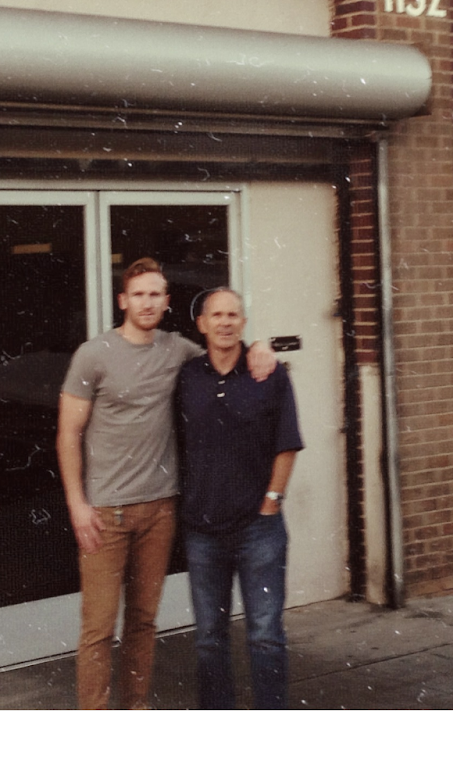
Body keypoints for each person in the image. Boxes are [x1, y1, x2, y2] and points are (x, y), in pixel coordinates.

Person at [57, 258, 275, 710]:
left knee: (143, 621)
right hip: (105, 514)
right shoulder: (93, 354)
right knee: (98, 628)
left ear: (167, 301)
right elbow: (67, 434)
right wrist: (77, 504)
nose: (147, 302)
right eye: (138, 294)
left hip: (159, 510)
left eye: (156, 294)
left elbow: (224, 348)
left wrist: (261, 347)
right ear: (123, 300)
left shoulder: (177, 351)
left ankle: (136, 709)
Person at [176, 288, 303, 709]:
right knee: (209, 639)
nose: (226, 322)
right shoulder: (187, 376)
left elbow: (287, 443)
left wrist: (272, 500)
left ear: (244, 323)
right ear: (202, 324)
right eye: (217, 315)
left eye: (234, 315)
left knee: (265, 636)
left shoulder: (268, 374)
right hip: (203, 531)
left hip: (258, 529)